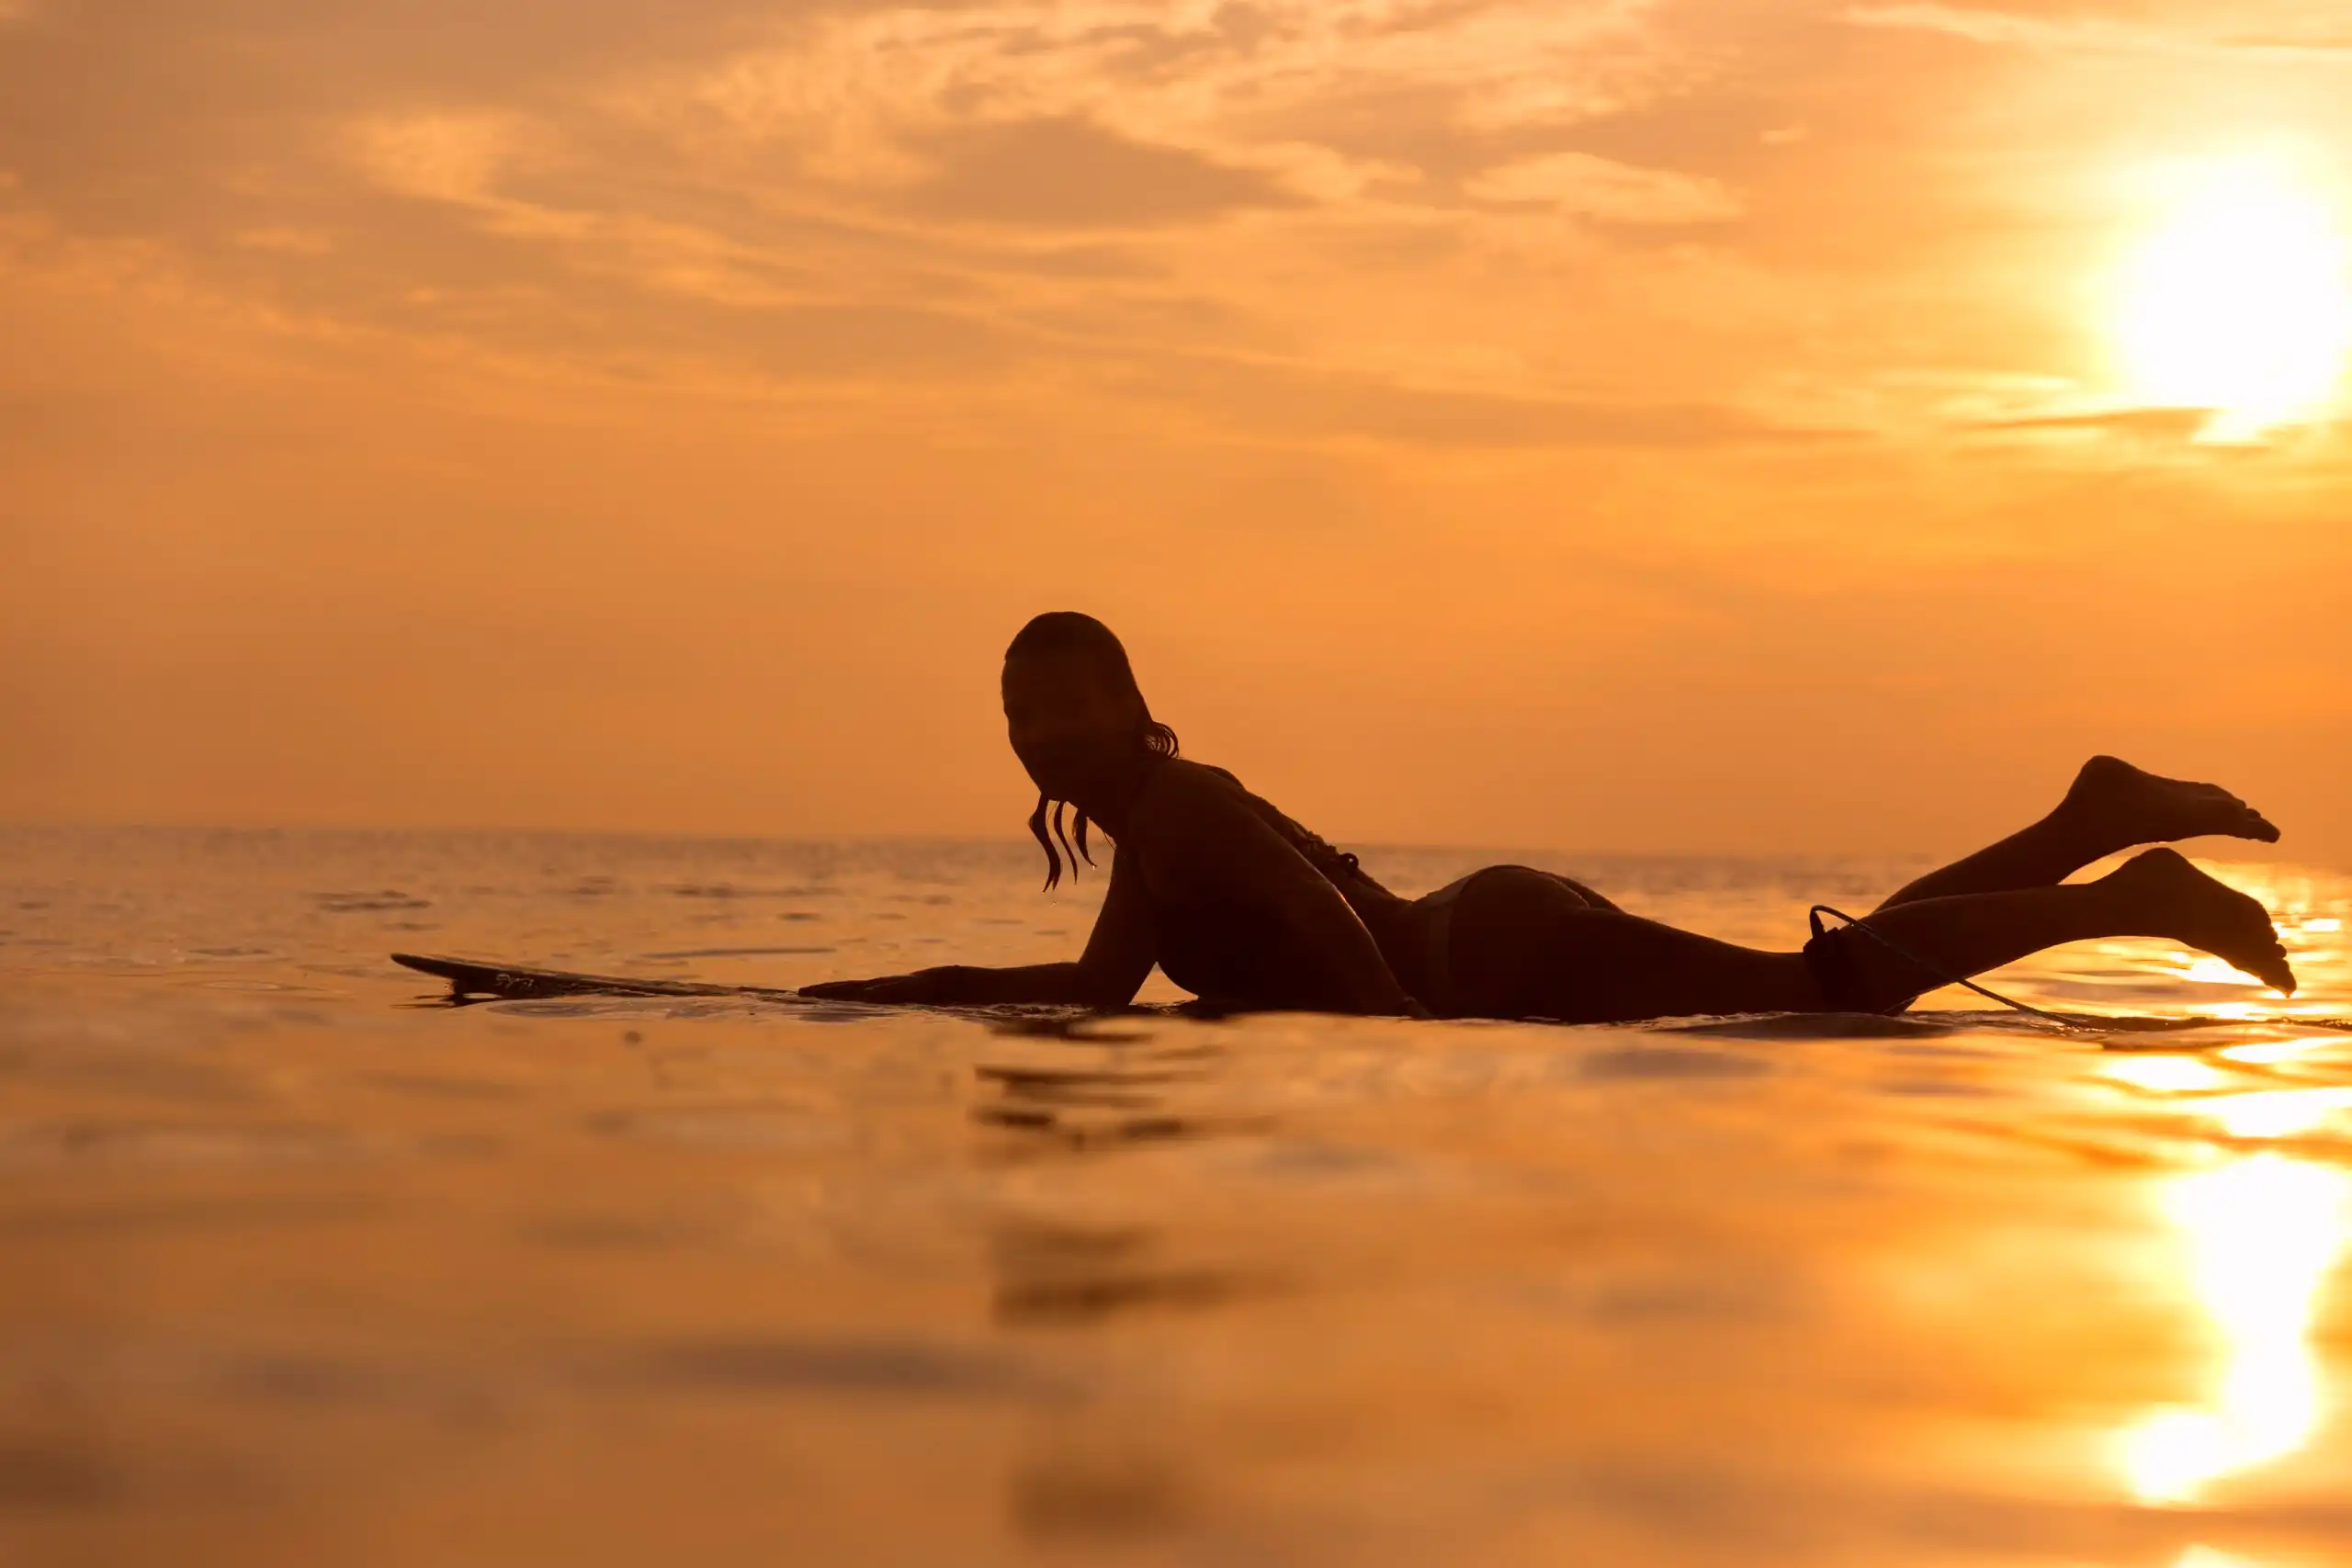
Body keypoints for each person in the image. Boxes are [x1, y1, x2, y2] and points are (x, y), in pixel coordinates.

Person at [800, 613, 2295, 1021]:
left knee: (1820, 989)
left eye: (1065, 704)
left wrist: (1394, 1010)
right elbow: (1091, 990)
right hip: (1481, 943)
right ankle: (2081, 820)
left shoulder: (1180, 800)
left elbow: (1298, 897)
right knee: (1826, 976)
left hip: (1486, 963)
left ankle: (2131, 893)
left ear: (1131, 710)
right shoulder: (1148, 820)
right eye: (1017, 710)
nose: (1038, 731)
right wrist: (854, 994)